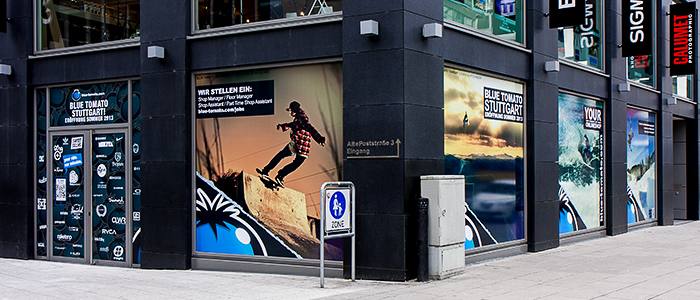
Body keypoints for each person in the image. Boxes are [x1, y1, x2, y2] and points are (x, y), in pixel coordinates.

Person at [257, 101, 326, 187]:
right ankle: (280, 175)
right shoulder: (299, 117)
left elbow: (310, 127)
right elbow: (293, 124)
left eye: (290, 111)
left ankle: (266, 171)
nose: (290, 113)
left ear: (293, 110)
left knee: (281, 155)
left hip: (298, 143)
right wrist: (284, 126)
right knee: (295, 164)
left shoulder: (302, 117)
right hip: (304, 148)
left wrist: (319, 138)